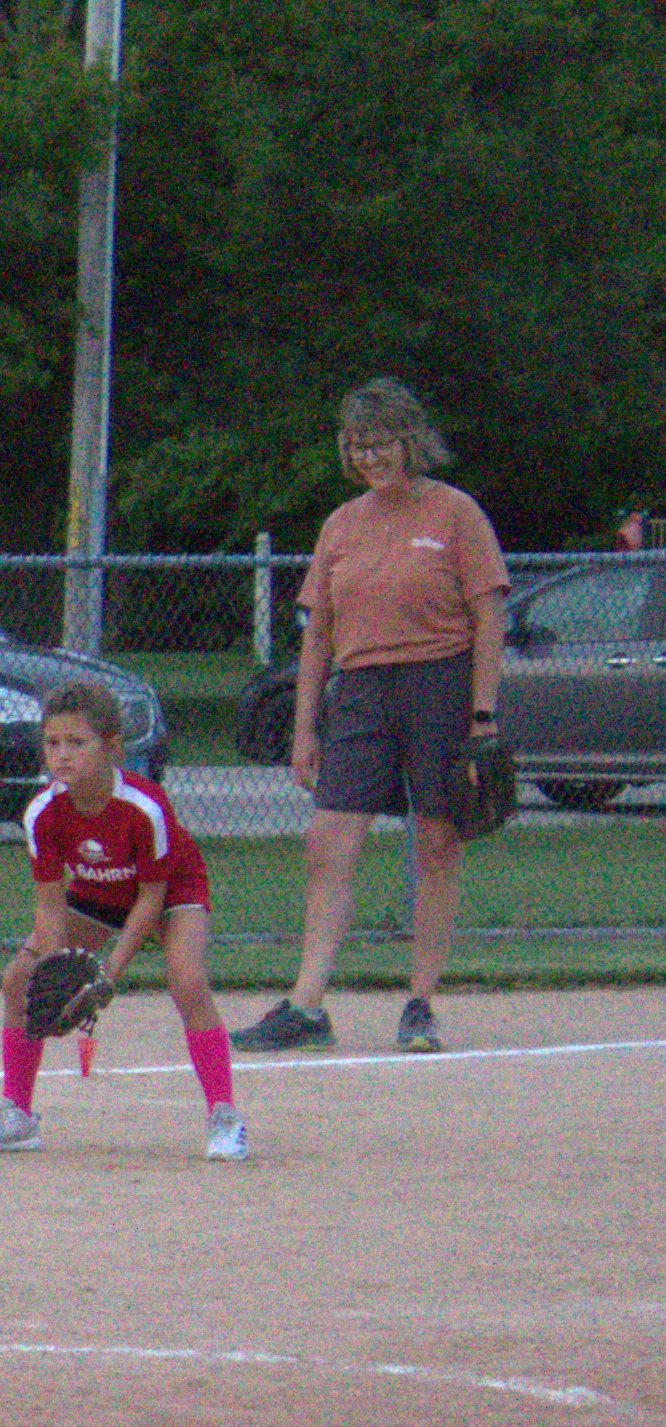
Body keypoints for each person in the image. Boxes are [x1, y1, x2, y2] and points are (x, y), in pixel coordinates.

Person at [235, 377, 509, 1055]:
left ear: (410, 441)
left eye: (381, 442)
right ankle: (307, 1005)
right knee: (328, 841)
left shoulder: (455, 512)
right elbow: (318, 637)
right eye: (358, 445)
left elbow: (489, 617)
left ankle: (420, 1003)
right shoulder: (341, 524)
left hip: (440, 682)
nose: (370, 457)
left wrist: (482, 716)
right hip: (360, 689)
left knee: (437, 842)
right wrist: (304, 728)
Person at [0, 681, 247, 1161]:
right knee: (18, 980)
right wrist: (53, 966)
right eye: (52, 742)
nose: (62, 754)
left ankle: (224, 1116)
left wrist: (107, 975)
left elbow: (150, 898)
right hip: (98, 890)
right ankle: (17, 1116)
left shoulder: (144, 806)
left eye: (77, 742)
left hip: (171, 890)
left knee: (187, 981)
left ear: (111, 747)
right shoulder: (42, 812)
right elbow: (50, 904)